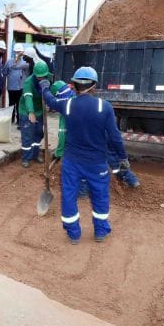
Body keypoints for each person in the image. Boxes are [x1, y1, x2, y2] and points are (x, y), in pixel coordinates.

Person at [40, 66, 130, 244]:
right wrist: (123, 158)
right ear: (94, 86)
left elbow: (50, 101)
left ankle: (73, 234)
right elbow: (114, 137)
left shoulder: (68, 105)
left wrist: (44, 86)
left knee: (69, 195)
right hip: (96, 164)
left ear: (73, 85)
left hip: (71, 162)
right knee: (100, 196)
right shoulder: (104, 107)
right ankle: (101, 232)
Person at [18, 60, 51, 168]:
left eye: (43, 76)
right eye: (39, 77)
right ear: (35, 74)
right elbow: (28, 98)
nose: (41, 79)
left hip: (39, 109)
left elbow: (49, 92)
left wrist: (49, 103)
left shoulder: (48, 78)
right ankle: (26, 158)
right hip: (26, 110)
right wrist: (31, 112)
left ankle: (35, 155)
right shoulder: (28, 82)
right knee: (28, 134)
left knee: (38, 133)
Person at [4, 43, 29, 124]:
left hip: (20, 87)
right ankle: (11, 120)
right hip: (11, 87)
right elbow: (4, 72)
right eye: (16, 52)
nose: (17, 53)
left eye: (19, 52)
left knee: (19, 105)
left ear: (22, 53)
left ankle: (19, 120)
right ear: (14, 52)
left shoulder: (25, 63)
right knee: (11, 104)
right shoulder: (9, 62)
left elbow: (18, 67)